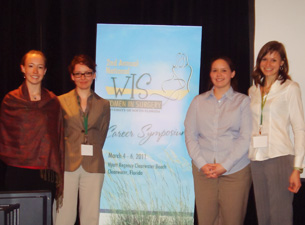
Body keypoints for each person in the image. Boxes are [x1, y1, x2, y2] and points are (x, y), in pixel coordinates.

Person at [184, 56, 252, 225]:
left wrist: (225, 165)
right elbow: (190, 136)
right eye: (215, 70)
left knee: (233, 221)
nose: (219, 74)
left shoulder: (243, 102)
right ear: (210, 74)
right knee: (206, 220)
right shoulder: (198, 102)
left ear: (232, 73)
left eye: (224, 70)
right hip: (204, 172)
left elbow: (245, 138)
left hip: (236, 171)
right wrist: (201, 164)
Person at [249, 41, 305, 225]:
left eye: (274, 59)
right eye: (264, 59)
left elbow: (299, 129)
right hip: (257, 159)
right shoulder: (253, 90)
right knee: (263, 217)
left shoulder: (290, 88)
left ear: (282, 62)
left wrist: (297, 168)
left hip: (280, 157)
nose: (268, 64)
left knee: (280, 217)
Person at [0, 50, 64, 206]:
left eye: (40, 67)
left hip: (44, 173)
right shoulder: (11, 100)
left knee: (42, 218)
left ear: (45, 71)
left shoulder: (53, 102)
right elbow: (5, 137)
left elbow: (58, 136)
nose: (35, 72)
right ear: (23, 68)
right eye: (31, 66)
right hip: (17, 171)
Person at [55, 54, 110, 225]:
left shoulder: (103, 104)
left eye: (87, 73)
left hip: (93, 165)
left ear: (94, 75)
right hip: (67, 164)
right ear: (72, 76)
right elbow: (56, 133)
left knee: (90, 217)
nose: (83, 78)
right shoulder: (60, 101)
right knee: (63, 215)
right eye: (78, 74)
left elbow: (102, 134)